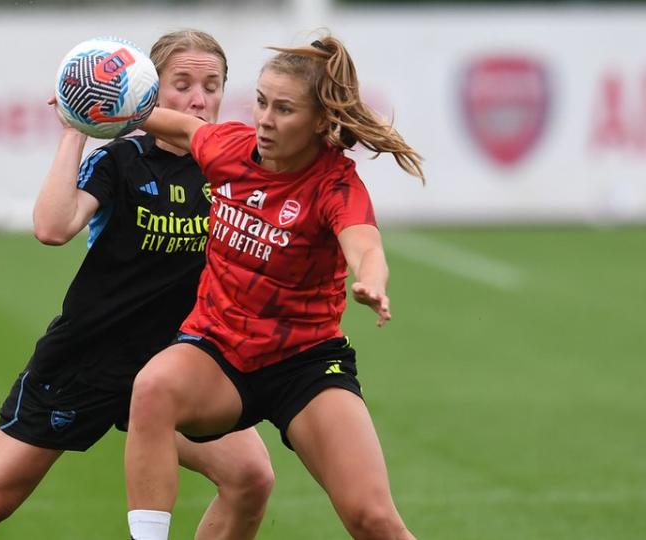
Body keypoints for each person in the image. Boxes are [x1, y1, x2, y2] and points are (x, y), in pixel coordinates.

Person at [0, 30, 274, 540]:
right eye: (182, 83)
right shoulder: (121, 161)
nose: (198, 98)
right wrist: (76, 128)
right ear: (148, 92)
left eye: (211, 85)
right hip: (89, 359)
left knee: (250, 477)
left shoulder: (234, 168)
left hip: (176, 365)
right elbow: (53, 227)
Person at [123, 34, 425, 540]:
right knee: (152, 386)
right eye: (261, 102)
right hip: (219, 351)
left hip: (305, 365)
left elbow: (365, 246)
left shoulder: (335, 185)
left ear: (320, 122)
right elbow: (169, 121)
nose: (264, 119)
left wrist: (371, 280)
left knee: (374, 520)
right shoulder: (229, 149)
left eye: (284, 109)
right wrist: (99, 101)